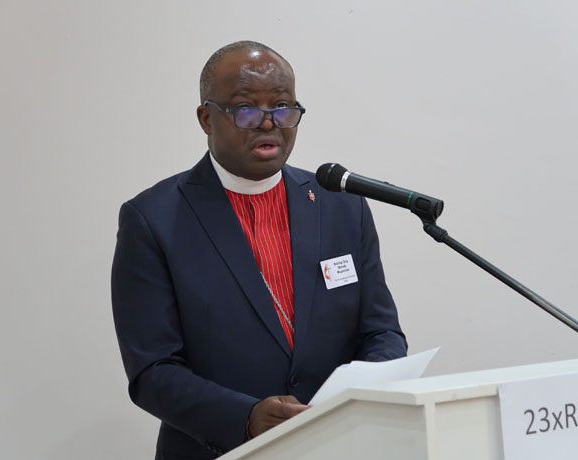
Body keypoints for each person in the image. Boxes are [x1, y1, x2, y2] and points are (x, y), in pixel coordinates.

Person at [111, 41, 407, 460]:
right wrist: (246, 417)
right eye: (246, 109)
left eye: (283, 108)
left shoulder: (341, 205)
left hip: (337, 447)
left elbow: (381, 332)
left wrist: (362, 392)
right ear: (206, 118)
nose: (269, 124)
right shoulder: (153, 219)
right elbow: (152, 370)